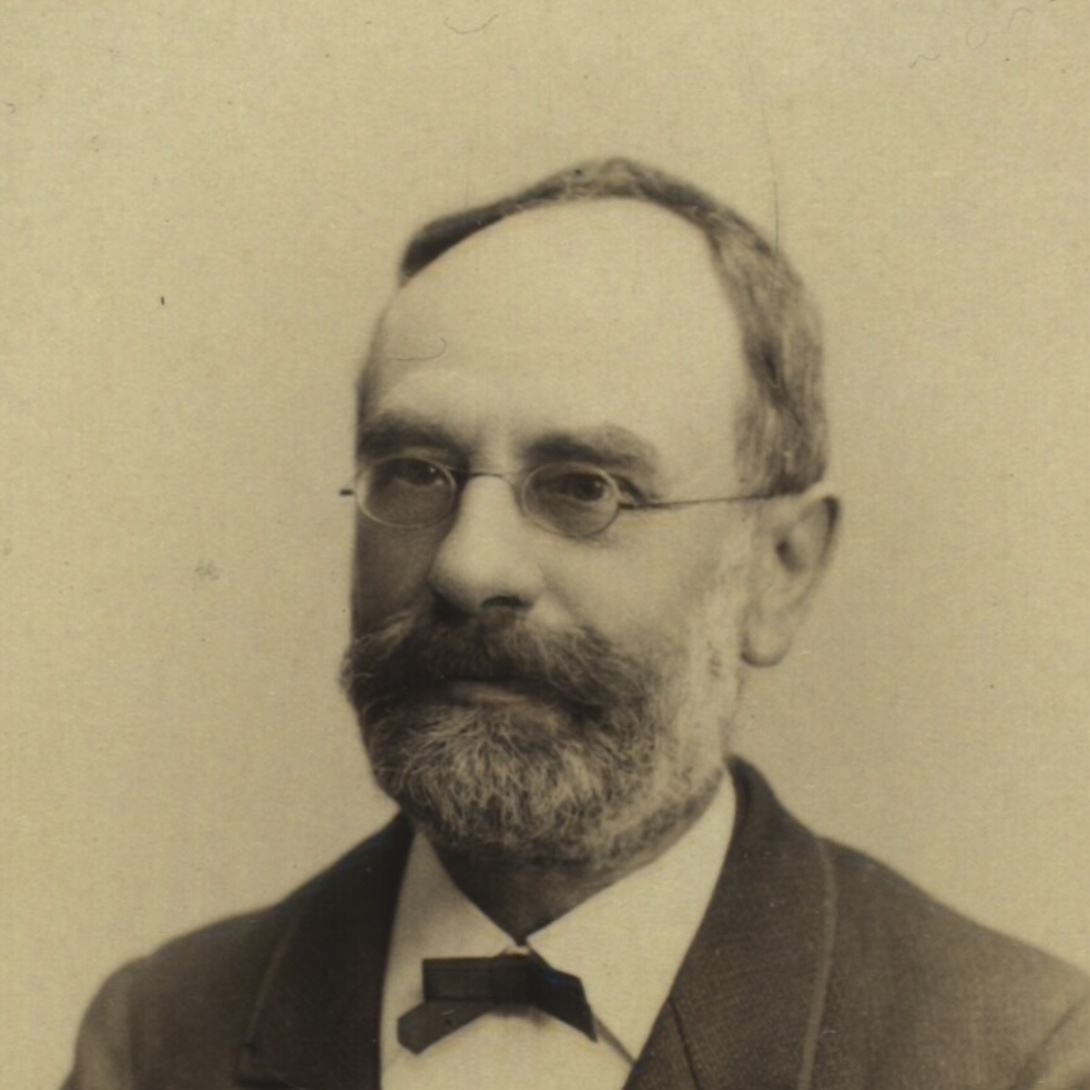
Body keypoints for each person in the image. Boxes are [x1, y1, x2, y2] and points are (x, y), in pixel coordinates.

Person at [63, 158, 1090, 1090]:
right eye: (415, 471)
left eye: (585, 486)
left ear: (777, 570)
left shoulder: (1018, 1056)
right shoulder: (157, 1041)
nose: (469, 566)